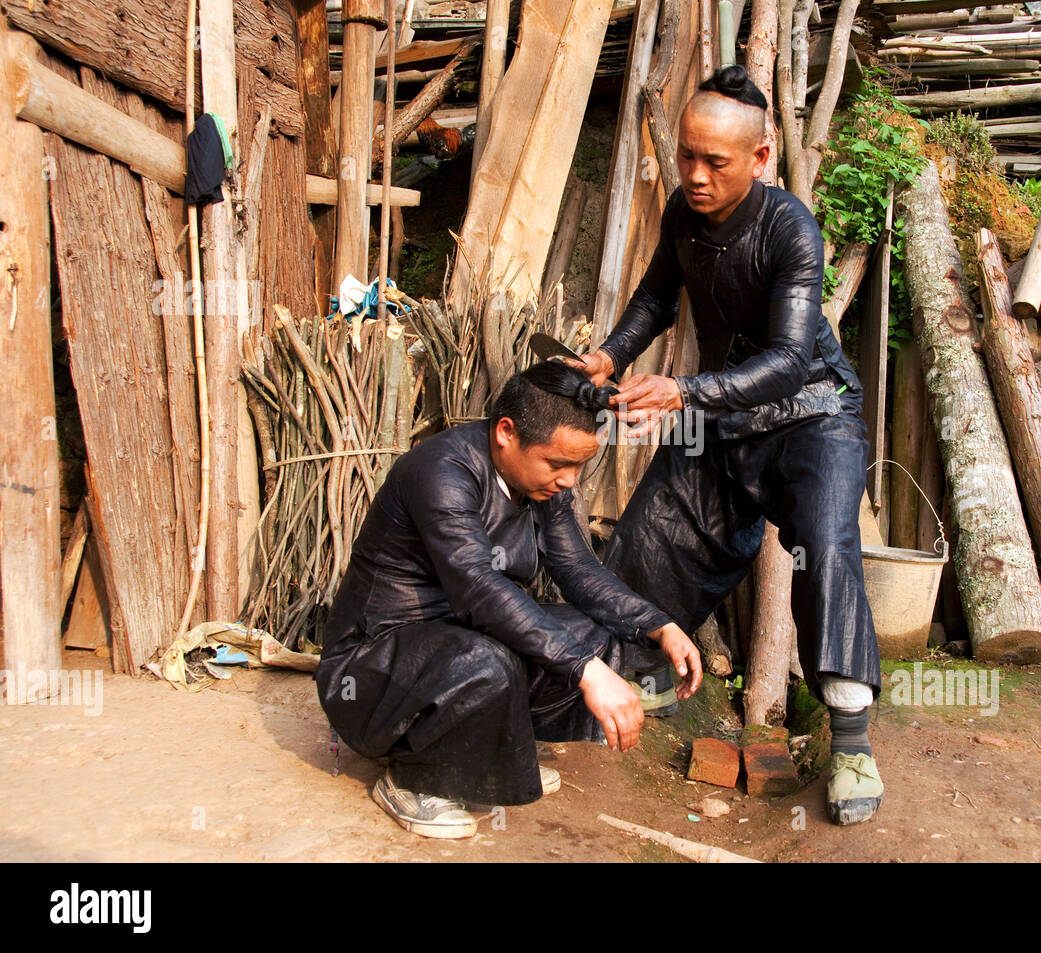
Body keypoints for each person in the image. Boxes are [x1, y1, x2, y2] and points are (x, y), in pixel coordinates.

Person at [570, 65, 884, 826]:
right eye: (687, 157)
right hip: (726, 416)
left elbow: (785, 358)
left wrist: (681, 391)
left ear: (763, 157)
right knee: (655, 529)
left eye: (716, 161)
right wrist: (612, 354)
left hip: (814, 414)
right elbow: (653, 297)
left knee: (826, 544)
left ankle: (849, 741)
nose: (697, 175)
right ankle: (634, 679)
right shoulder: (683, 213)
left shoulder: (791, 229)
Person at [316, 361, 702, 839]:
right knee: (493, 661)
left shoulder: (545, 488)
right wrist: (585, 670)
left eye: (578, 466)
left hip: (461, 639)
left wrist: (658, 624)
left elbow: (578, 570)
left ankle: (487, 753)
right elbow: (476, 584)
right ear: (505, 432)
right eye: (559, 464)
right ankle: (412, 779)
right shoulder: (441, 469)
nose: (569, 482)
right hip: (373, 668)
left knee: (595, 635)